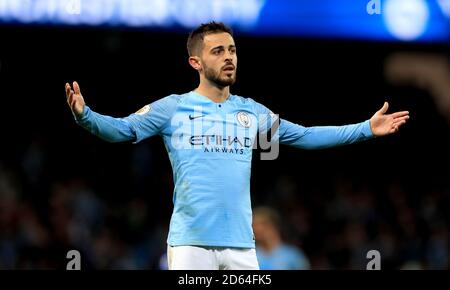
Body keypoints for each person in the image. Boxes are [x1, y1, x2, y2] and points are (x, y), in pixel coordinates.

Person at [65, 21, 409, 270]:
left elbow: (303, 136)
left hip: (242, 246)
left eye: (232, 50)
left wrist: (365, 128)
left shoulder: (250, 111)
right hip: (190, 245)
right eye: (218, 51)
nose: (229, 57)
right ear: (195, 63)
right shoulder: (173, 108)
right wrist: (86, 115)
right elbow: (122, 130)